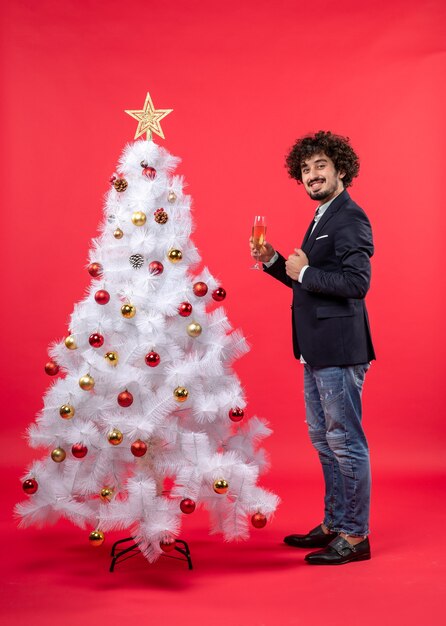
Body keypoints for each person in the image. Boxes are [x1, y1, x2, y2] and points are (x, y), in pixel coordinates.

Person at [250, 130, 375, 565]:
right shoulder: (324, 214)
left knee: (345, 441)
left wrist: (303, 274)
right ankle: (336, 523)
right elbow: (309, 280)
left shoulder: (349, 217)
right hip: (316, 349)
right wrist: (273, 261)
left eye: (320, 166)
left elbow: (357, 285)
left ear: (341, 169)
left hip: (340, 350)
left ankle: (356, 537)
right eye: (305, 169)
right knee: (324, 440)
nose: (312, 174)